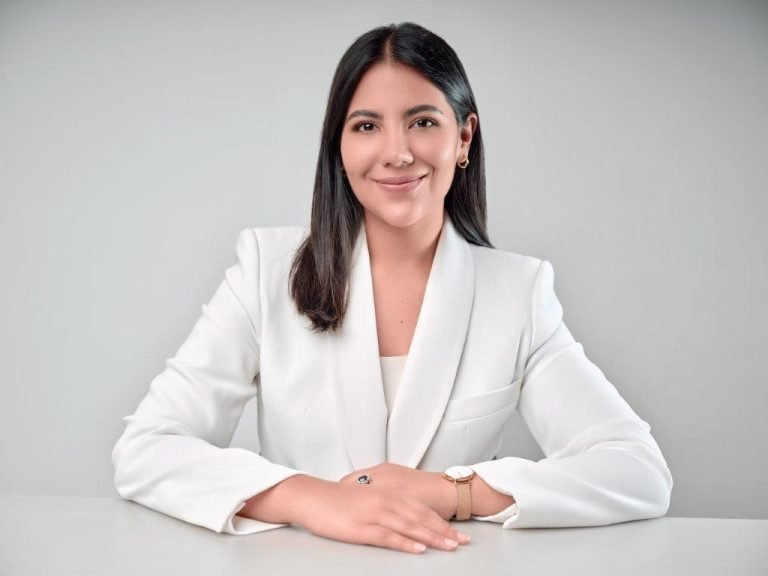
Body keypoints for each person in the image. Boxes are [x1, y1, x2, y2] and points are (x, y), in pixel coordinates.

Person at [112, 22, 673, 555]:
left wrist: (452, 492)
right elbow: (148, 448)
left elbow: (638, 470)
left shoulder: (518, 292)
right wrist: (311, 499)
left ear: (464, 137)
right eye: (366, 126)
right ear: (339, 146)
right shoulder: (265, 269)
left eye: (423, 122)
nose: (397, 152)